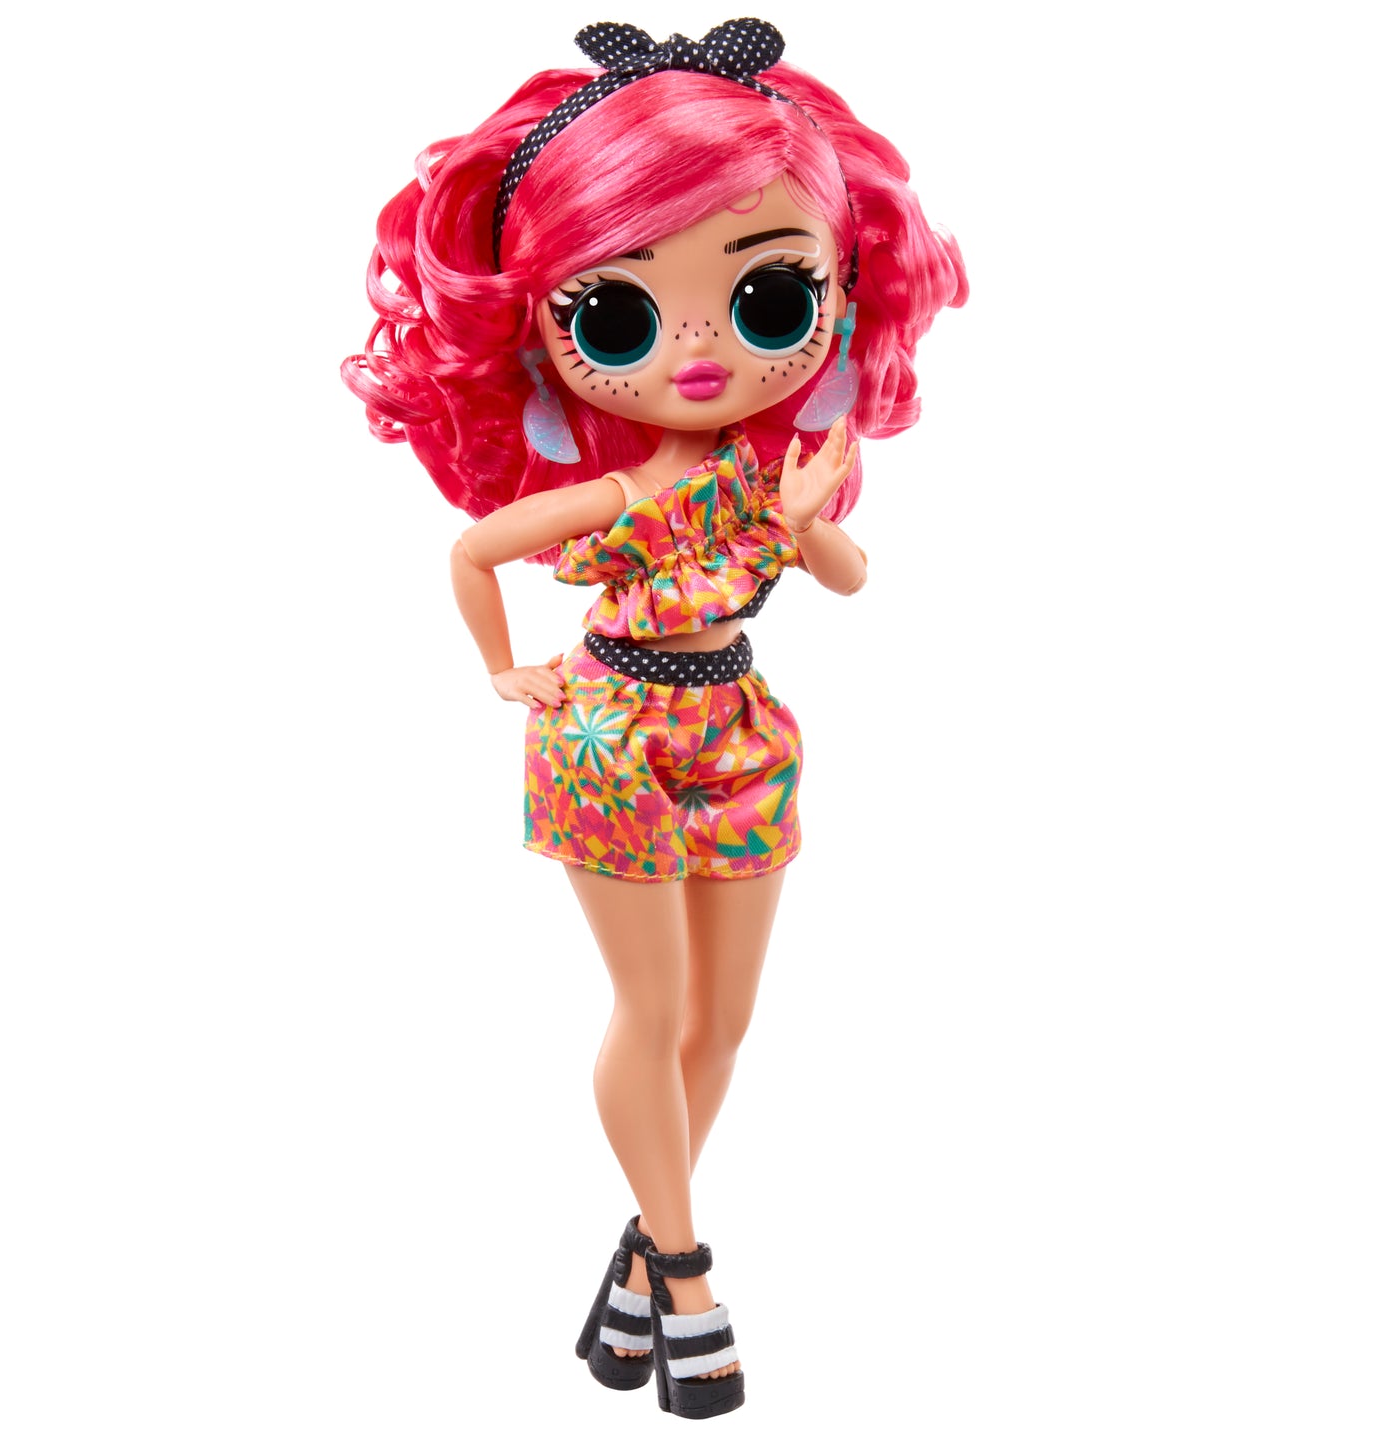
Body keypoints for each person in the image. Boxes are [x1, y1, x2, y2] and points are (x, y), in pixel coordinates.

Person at [342, 18, 966, 1417]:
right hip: (610, 730)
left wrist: (803, 519)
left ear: (843, 297)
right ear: (538, 328)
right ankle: (683, 1275)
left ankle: (632, 1257)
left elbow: (849, 576)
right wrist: (504, 671)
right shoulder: (614, 496)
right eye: (617, 315)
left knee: (724, 1021)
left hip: (741, 725)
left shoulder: (764, 483)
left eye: (766, 297)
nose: (694, 350)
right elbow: (472, 552)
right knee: (654, 1001)